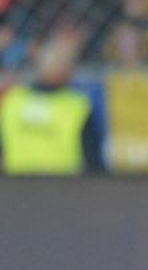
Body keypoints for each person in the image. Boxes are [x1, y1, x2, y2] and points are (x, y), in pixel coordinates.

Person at [0, 29, 102, 175]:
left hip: (18, 186)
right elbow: (93, 160)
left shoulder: (13, 100)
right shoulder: (77, 105)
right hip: (63, 188)